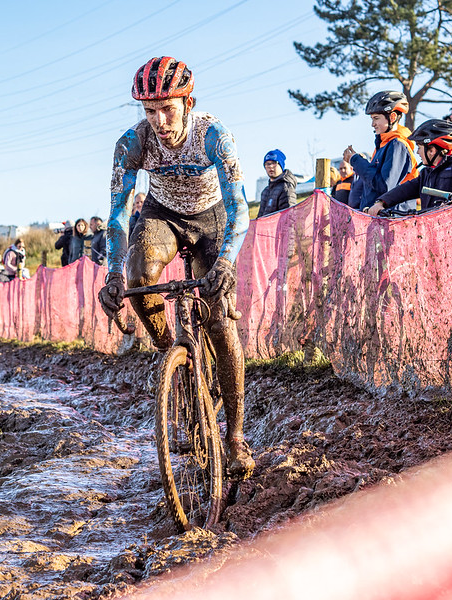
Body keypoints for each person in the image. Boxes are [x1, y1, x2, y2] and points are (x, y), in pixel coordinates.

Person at [98, 56, 254, 477]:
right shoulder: (132, 143)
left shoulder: (214, 135)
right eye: (150, 111)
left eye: (168, 108)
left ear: (188, 102)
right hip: (162, 213)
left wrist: (224, 262)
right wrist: (112, 274)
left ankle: (235, 437)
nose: (159, 121)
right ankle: (172, 351)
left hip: (211, 216)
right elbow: (117, 214)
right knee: (138, 277)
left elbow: (240, 205)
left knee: (220, 321)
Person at [367, 119, 452, 216]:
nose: (418, 152)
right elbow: (405, 190)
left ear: (432, 151)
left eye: (419, 147)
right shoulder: (427, 172)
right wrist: (382, 202)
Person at [342, 90, 418, 212]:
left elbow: (385, 186)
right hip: (381, 218)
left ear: (392, 117)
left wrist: (356, 161)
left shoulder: (397, 145)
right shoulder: (384, 145)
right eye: (372, 119)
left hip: (394, 218)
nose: (373, 124)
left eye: (376, 118)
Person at [257, 149, 297, 218]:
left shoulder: (286, 188)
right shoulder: (265, 191)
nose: (270, 166)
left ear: (281, 165)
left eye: (274, 163)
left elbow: (289, 217)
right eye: (267, 164)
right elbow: (260, 218)